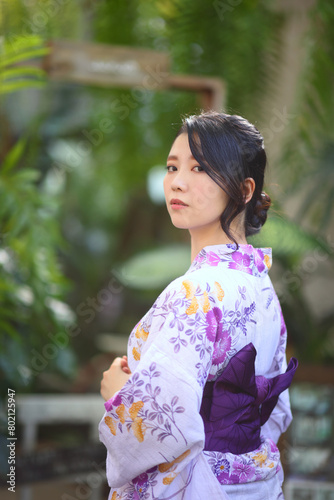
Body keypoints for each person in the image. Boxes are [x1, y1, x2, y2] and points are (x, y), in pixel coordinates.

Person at [98, 111, 298, 500]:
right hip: (255, 484)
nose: (178, 181)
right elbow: (274, 416)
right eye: (173, 167)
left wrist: (120, 393)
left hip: (200, 485)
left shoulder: (195, 291)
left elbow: (165, 429)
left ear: (243, 190)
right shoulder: (260, 284)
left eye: (200, 168)